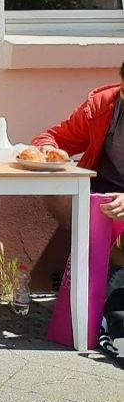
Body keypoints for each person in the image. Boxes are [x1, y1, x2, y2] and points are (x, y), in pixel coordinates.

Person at [31, 62, 124, 267]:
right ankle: (95, 255)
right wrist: (50, 150)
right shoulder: (103, 105)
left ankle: (108, 263)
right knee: (57, 190)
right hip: (100, 196)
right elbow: (51, 137)